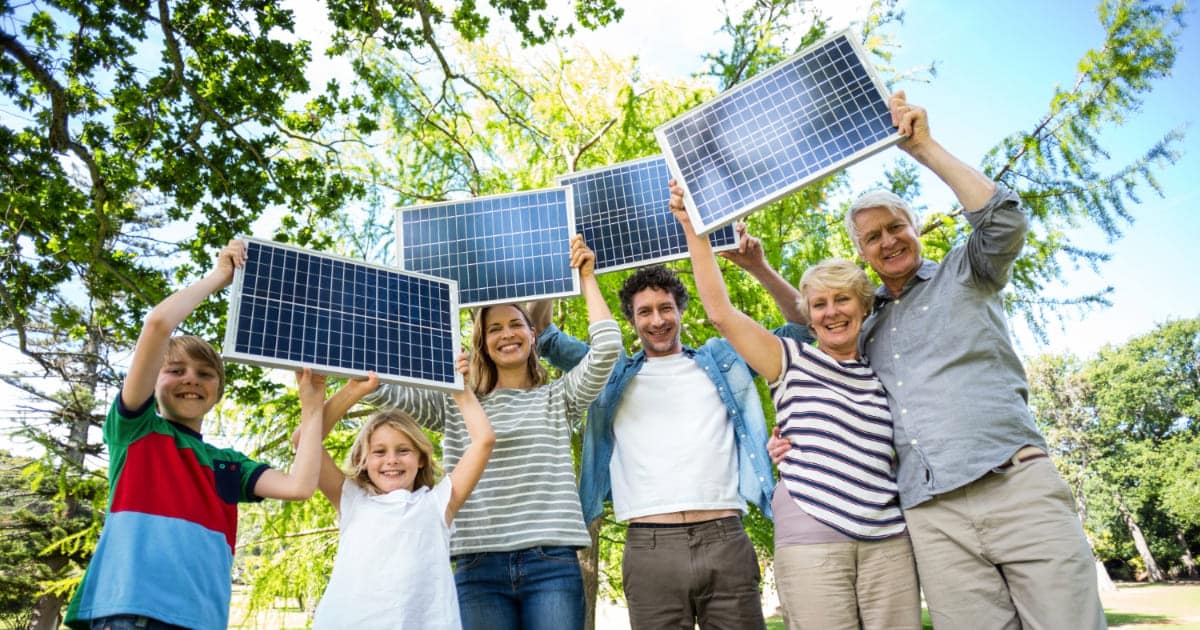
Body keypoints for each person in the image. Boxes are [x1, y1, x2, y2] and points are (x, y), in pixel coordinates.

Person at [772, 91, 1105, 629]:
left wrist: (923, 147)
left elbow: (1004, 222)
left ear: (915, 227)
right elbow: (814, 320)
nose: (888, 241)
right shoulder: (865, 324)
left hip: (1013, 484)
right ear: (862, 252)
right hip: (930, 514)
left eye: (896, 227)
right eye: (873, 236)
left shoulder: (966, 274)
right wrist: (800, 436)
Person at [670, 183, 920, 630]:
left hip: (888, 537)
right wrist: (694, 228)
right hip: (813, 532)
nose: (831, 312)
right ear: (808, 315)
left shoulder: (883, 366)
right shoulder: (789, 359)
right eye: (819, 304)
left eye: (842, 299)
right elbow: (721, 313)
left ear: (864, 306)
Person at [532, 224, 808, 630]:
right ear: (630, 319)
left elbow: (801, 330)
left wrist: (760, 268)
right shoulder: (607, 371)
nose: (657, 320)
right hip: (649, 547)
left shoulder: (725, 361)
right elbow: (545, 340)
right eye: (645, 312)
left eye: (666, 308)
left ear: (681, 311)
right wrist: (559, 270)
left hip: (725, 539)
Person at [343, 235, 620, 630]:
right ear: (482, 343)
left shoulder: (559, 398)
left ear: (532, 335)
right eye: (494, 329)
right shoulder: (455, 402)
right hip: (476, 565)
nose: (506, 334)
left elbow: (607, 349)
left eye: (515, 325)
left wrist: (587, 276)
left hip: (552, 565)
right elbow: (378, 386)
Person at [65, 240, 326, 630]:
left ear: (217, 392)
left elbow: (301, 485)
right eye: (175, 370)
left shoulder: (228, 464)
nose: (191, 378)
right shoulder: (136, 432)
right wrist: (219, 277)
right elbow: (157, 325)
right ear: (152, 381)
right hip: (131, 613)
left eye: (205, 374)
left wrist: (313, 407)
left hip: (202, 620)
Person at [308, 351, 494, 629]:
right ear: (363, 460)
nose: (391, 460)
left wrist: (461, 389)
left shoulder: (437, 503)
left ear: (421, 459)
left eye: (403, 450)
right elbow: (305, 442)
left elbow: (484, 440)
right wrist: (353, 390)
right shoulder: (352, 499)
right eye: (379, 452)